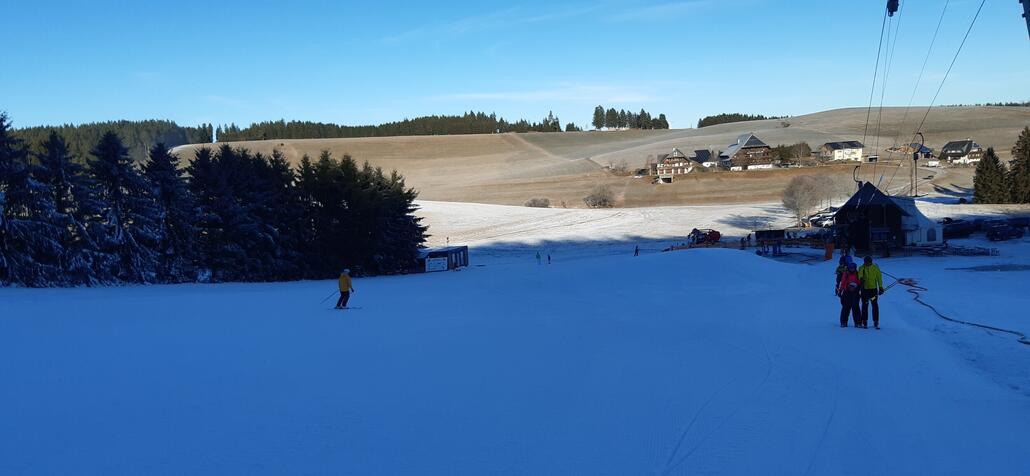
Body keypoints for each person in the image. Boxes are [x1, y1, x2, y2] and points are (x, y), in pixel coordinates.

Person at [858, 256, 884, 329]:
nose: (867, 264)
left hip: (873, 290)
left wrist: (880, 286)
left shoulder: (875, 268)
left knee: (874, 304)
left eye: (868, 262)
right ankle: (864, 321)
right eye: (866, 262)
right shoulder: (861, 268)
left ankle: (876, 321)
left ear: (871, 262)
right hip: (864, 290)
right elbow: (860, 274)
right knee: (865, 305)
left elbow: (879, 277)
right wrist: (861, 279)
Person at [837, 262, 862, 327]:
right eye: (850, 268)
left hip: (855, 292)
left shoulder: (857, 274)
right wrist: (840, 291)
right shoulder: (846, 274)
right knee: (846, 308)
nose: (852, 269)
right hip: (847, 292)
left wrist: (857, 288)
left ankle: (858, 322)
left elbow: (860, 282)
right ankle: (843, 322)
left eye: (853, 268)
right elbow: (843, 282)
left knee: (856, 308)